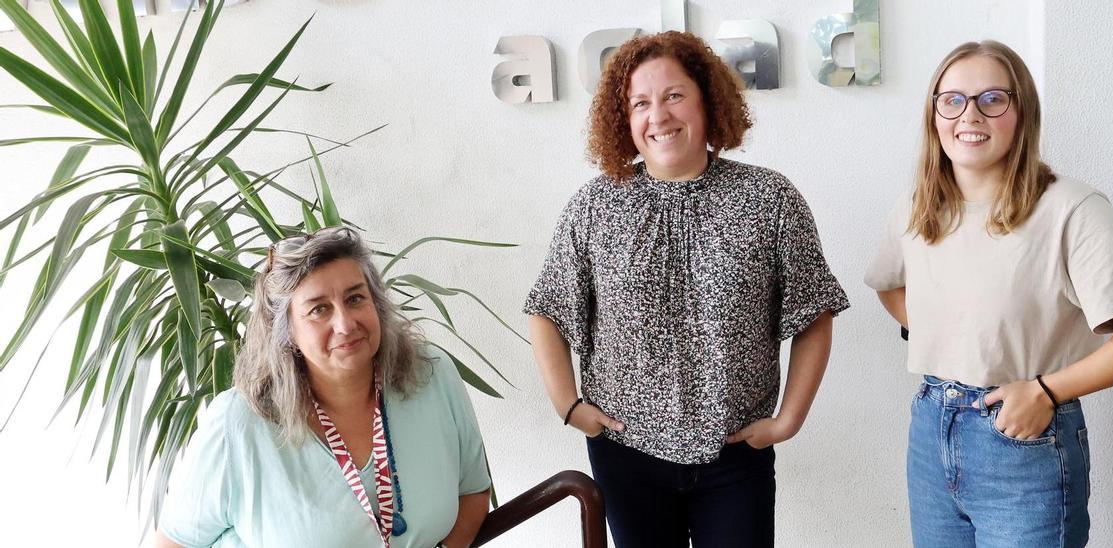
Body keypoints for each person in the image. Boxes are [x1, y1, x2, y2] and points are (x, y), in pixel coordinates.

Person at [524, 31, 849, 548]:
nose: (659, 116)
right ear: (623, 119)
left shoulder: (770, 199)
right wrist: (569, 405)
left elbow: (814, 314)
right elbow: (547, 310)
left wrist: (788, 420)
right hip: (626, 456)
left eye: (674, 95)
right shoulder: (594, 207)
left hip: (735, 455)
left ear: (707, 100)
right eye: (640, 103)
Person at [864, 40, 1113, 547]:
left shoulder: (1070, 207)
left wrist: (1047, 391)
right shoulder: (918, 205)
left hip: (1023, 438)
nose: (969, 114)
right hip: (932, 428)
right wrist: (943, 331)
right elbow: (891, 286)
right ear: (934, 115)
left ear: (1022, 112)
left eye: (992, 98)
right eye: (951, 100)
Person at [157, 227, 491, 548]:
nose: (345, 324)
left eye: (355, 298)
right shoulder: (237, 423)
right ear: (286, 332)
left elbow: (473, 492)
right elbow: (173, 543)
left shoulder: (432, 374)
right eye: (319, 309)